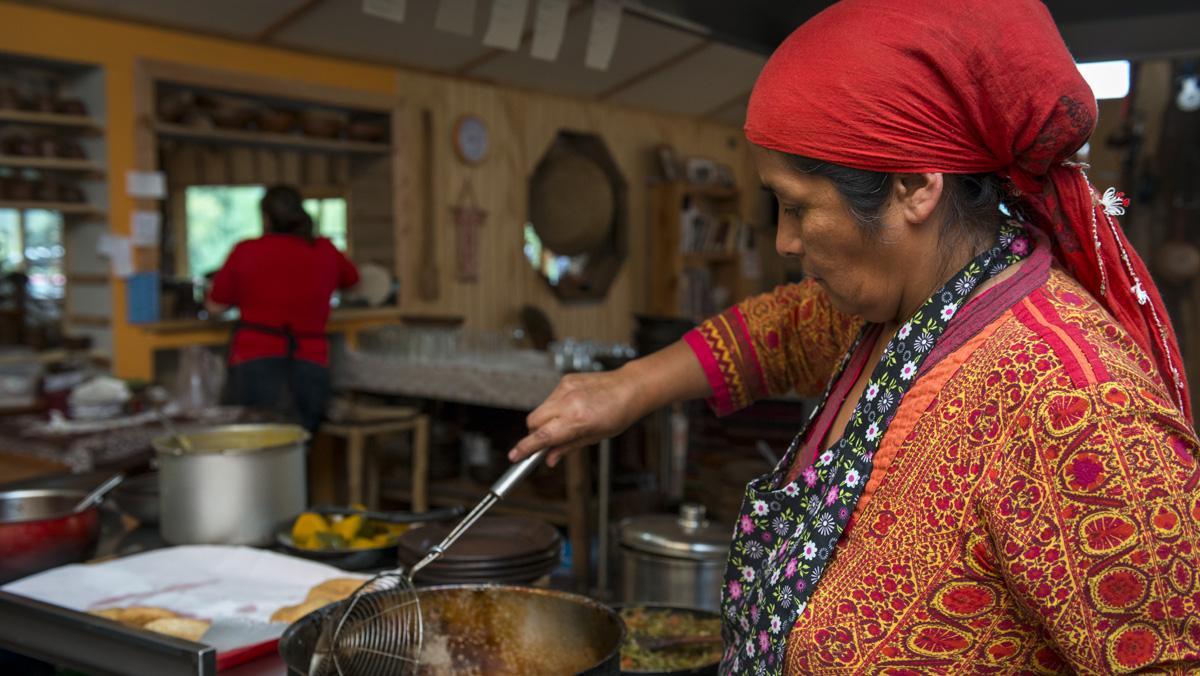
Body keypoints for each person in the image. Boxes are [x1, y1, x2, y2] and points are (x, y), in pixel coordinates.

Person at [510, 1, 1200, 673]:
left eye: (797, 206)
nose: (783, 241)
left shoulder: (1075, 405)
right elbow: (778, 330)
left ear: (914, 185)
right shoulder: (896, 309)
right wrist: (623, 390)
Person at [206, 185, 359, 433]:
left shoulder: (247, 251)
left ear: (265, 218)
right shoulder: (325, 250)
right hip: (311, 360)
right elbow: (354, 285)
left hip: (255, 357)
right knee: (300, 443)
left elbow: (215, 305)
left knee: (256, 441)